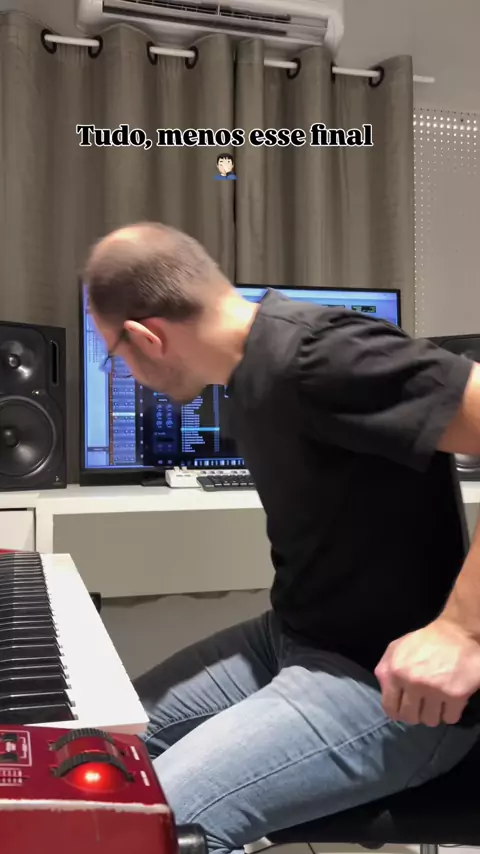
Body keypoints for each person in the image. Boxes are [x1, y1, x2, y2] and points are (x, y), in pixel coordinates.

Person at [84, 221, 480, 854]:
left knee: (133, 836)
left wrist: (461, 631)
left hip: (384, 686)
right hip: (293, 638)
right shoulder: (247, 372)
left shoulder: (319, 355)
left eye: (114, 356)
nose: (124, 371)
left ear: (146, 337)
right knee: (94, 753)